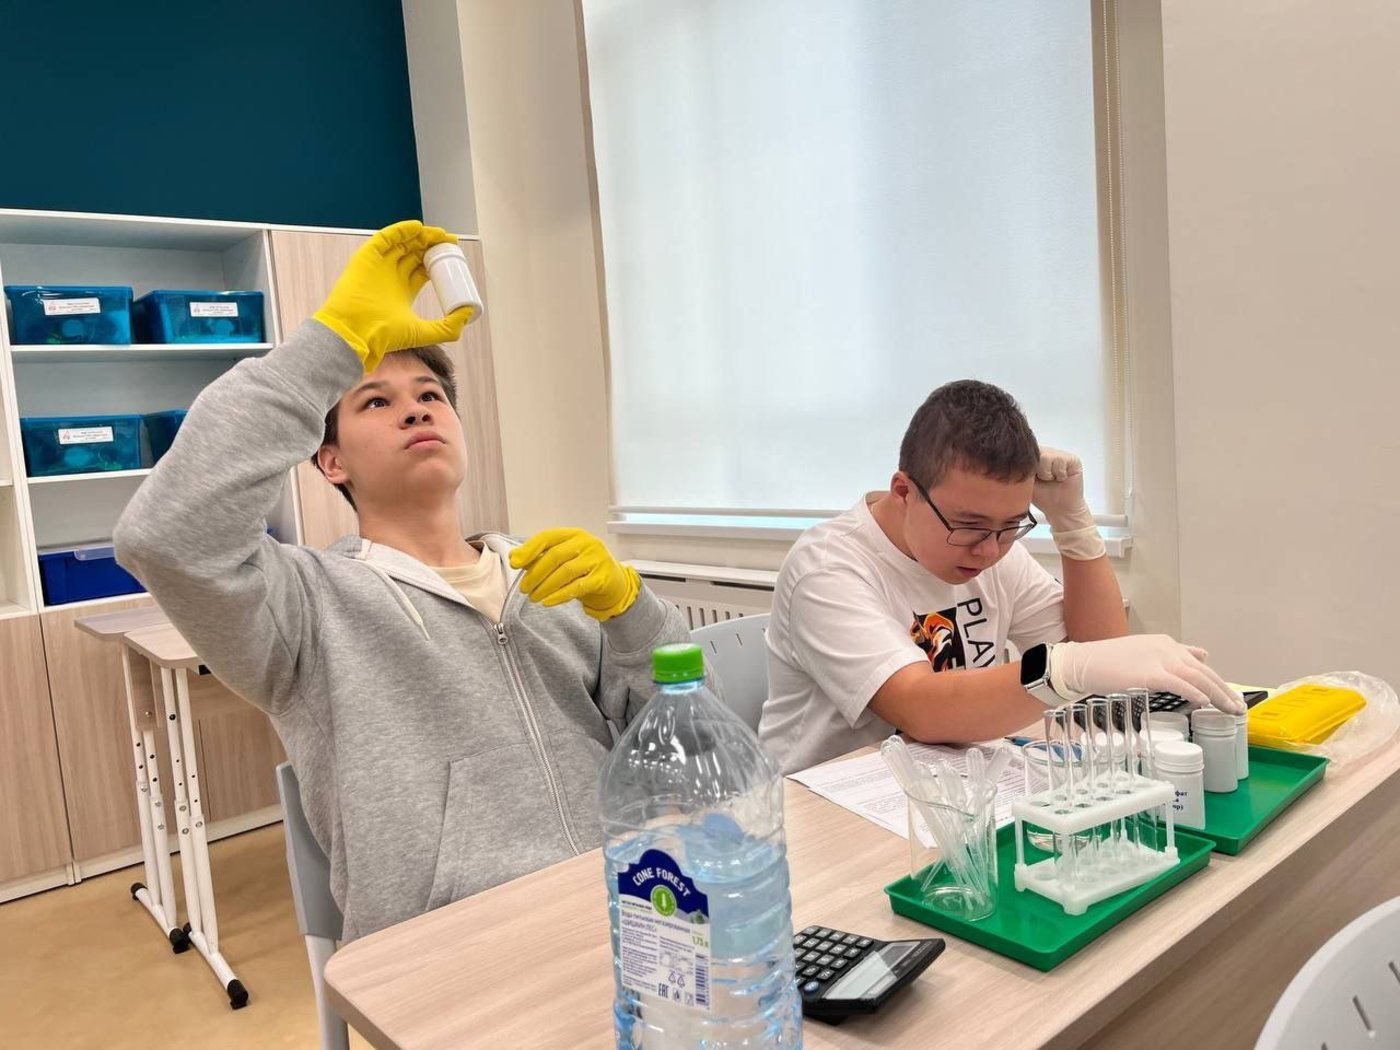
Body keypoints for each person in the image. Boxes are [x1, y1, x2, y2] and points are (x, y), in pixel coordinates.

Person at [114, 221, 689, 940]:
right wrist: (334, 341)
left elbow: (687, 745)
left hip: (626, 905)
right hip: (451, 944)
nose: (416, 408)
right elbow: (165, 536)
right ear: (330, 461)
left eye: (431, 395)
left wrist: (629, 609)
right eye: (375, 402)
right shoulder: (306, 606)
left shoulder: (550, 577)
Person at [758, 379, 1242, 773]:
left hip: (946, 780)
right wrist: (1064, 669)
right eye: (968, 525)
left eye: (1011, 526)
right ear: (904, 491)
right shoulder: (828, 568)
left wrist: (1072, 524)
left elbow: (1101, 656)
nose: (989, 550)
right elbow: (921, 709)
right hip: (825, 807)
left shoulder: (991, 548)